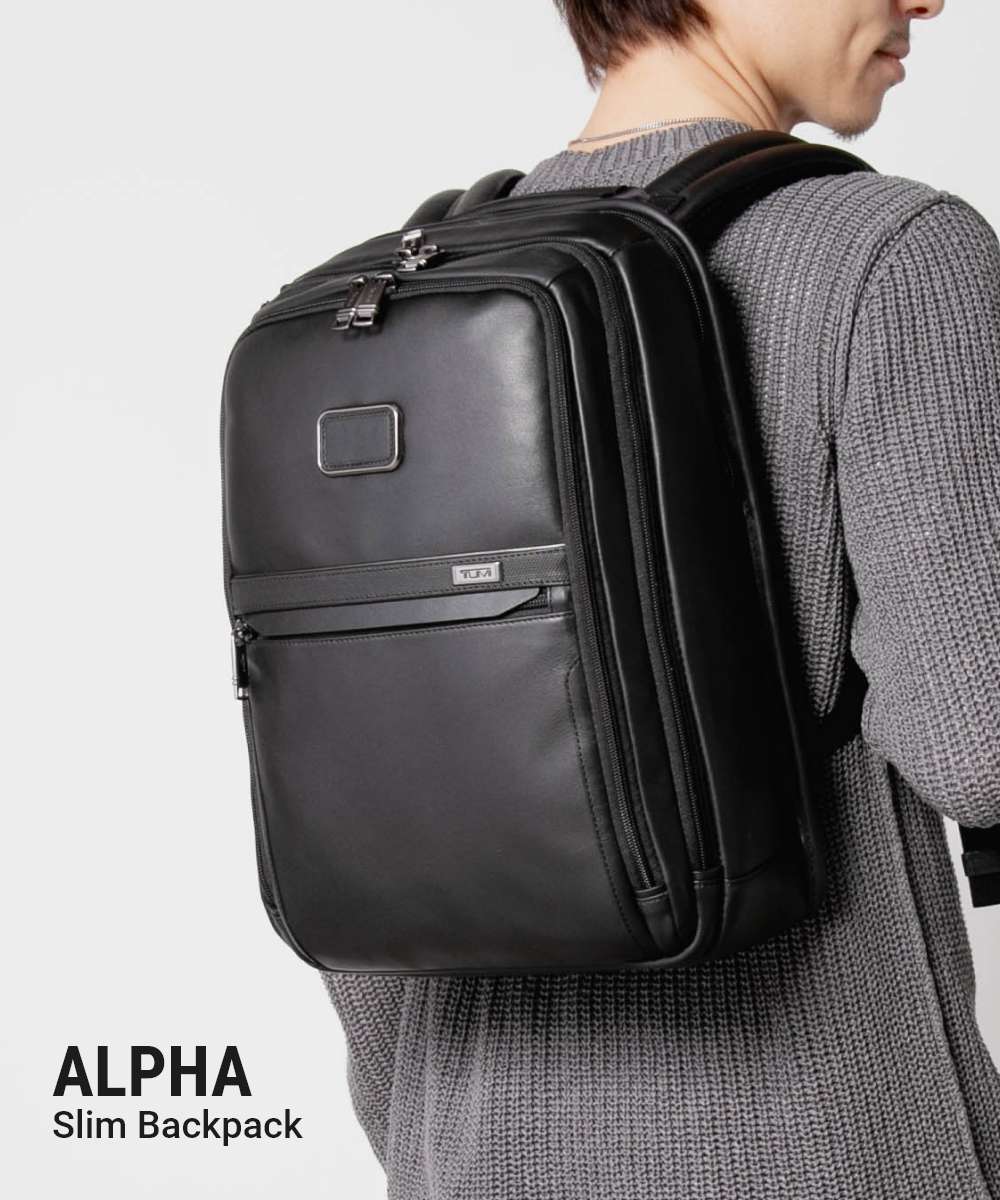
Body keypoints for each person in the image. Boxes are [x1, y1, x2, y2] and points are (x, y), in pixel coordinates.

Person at [324, 1, 1000, 1195]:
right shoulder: (891, 255)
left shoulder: (381, 304)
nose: (928, 0)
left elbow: (352, 840)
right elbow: (979, 744)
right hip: (819, 1145)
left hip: (464, 1152)